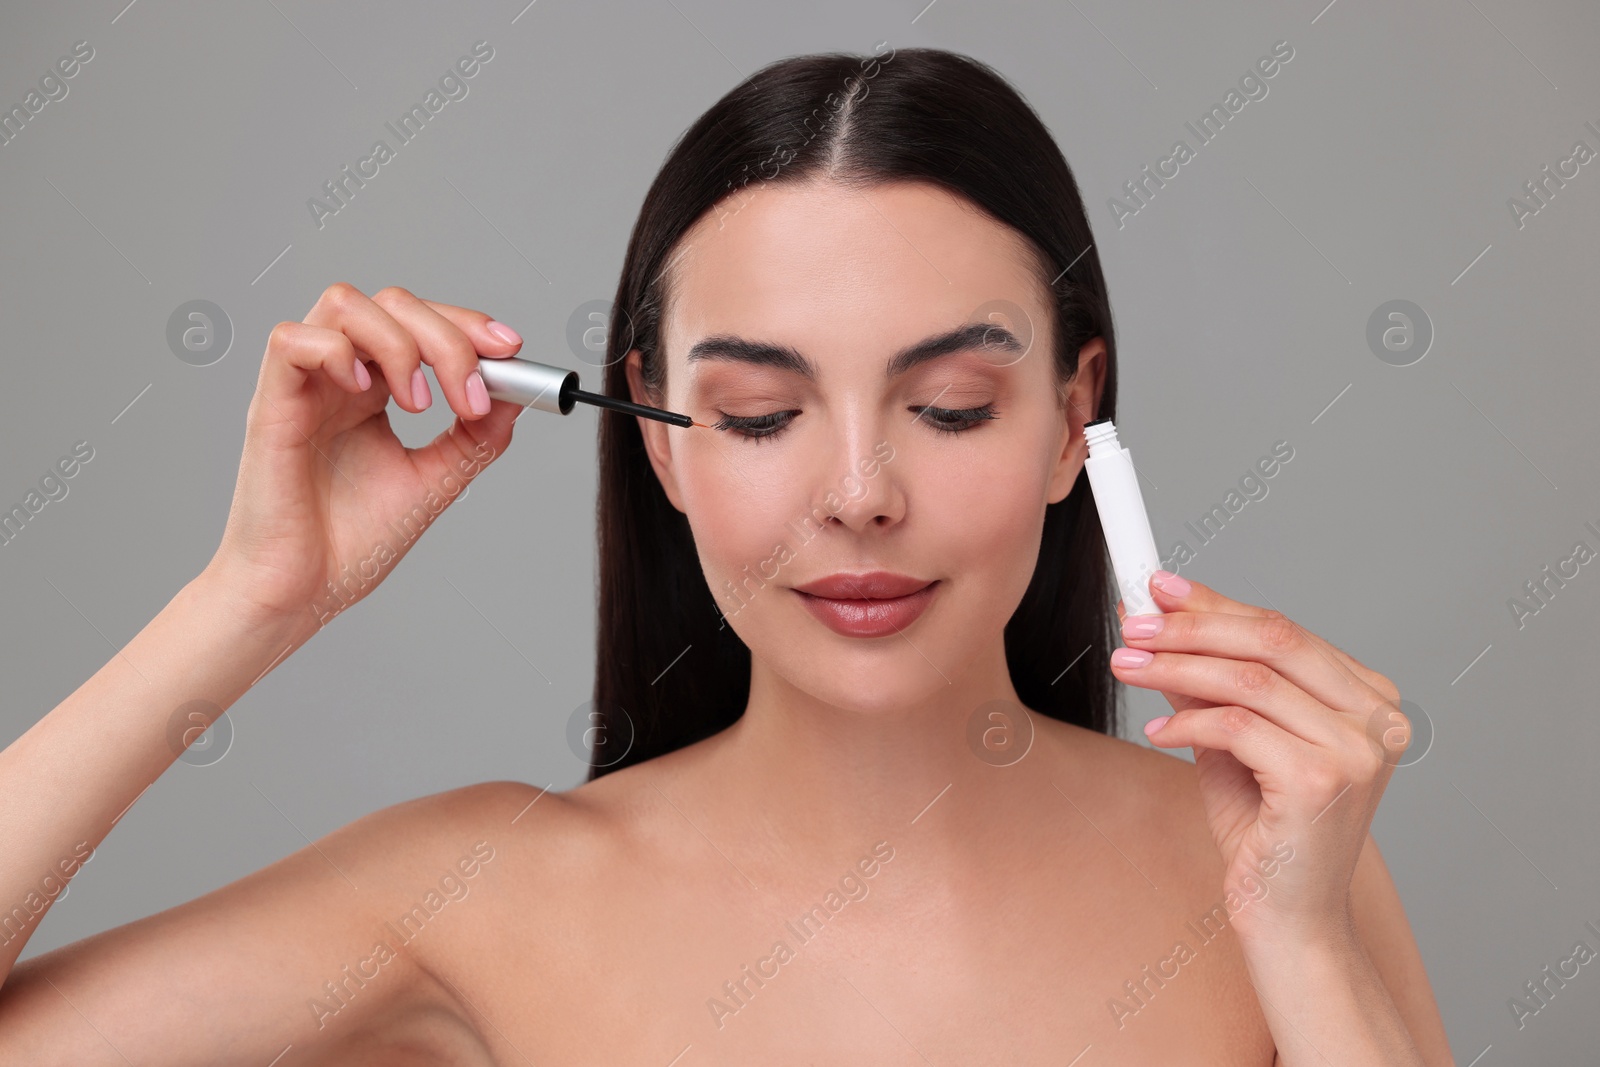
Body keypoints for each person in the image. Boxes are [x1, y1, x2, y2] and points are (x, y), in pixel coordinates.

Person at [0, 47, 1451, 1064]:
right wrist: (246, 600)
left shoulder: (1272, 864)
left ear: (1077, 419)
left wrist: (1302, 941)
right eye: (763, 414)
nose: (862, 494)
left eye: (950, 406)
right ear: (658, 434)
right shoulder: (481, 901)